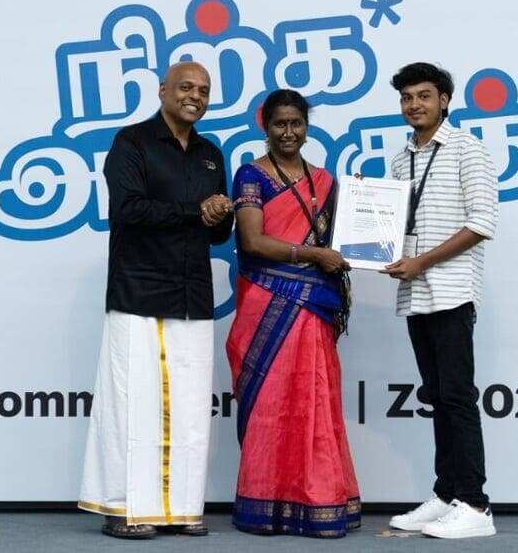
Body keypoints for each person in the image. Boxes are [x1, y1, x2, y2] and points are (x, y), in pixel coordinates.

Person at [79, 62, 235, 540]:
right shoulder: (132, 142)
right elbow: (127, 210)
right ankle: (123, 508)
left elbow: (217, 234)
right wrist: (195, 211)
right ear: (163, 90)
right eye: (186, 87)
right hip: (139, 289)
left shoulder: (211, 153)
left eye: (203, 91)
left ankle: (181, 509)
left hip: (192, 293)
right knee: (131, 404)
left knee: (191, 407)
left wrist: (219, 214)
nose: (195, 96)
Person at [226, 89, 362, 538]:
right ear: (265, 127)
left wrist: (367, 207)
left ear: (307, 127)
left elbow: (343, 237)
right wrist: (313, 255)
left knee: (314, 399)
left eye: (296, 124)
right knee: (270, 402)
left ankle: (319, 500)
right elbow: (252, 241)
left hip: (314, 305)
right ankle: (265, 502)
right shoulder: (250, 176)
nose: (288, 132)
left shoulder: (324, 180)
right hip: (266, 301)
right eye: (279, 124)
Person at [381, 62, 499, 539]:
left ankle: (475, 504)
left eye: (424, 96)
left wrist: (422, 261)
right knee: (437, 396)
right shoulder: (400, 160)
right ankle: (448, 493)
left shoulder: (469, 150)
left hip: (452, 292)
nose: (414, 105)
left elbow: (482, 222)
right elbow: (396, 226)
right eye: (407, 97)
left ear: (445, 100)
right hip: (416, 295)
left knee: (457, 397)